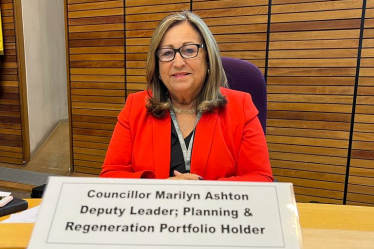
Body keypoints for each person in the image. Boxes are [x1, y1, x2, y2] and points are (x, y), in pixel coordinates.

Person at [100, 11, 273, 182]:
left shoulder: (241, 106)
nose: (178, 63)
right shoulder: (135, 106)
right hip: (156, 210)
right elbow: (110, 176)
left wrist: (203, 193)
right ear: (157, 65)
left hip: (216, 210)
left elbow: (261, 180)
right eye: (167, 53)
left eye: (189, 50)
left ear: (208, 59)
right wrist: (160, 191)